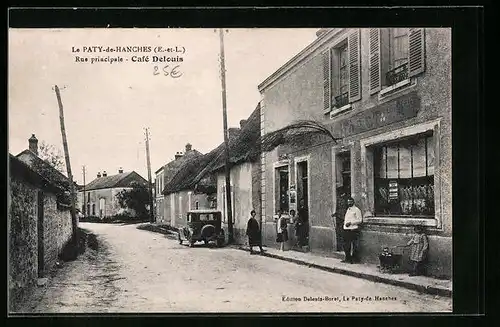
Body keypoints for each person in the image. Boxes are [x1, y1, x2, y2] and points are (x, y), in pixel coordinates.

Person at [342, 197, 362, 263]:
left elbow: (360, 220)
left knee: (354, 245)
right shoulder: (348, 209)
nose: (349, 203)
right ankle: (347, 258)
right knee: (346, 245)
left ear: (353, 202)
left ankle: (354, 259)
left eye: (350, 202)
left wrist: (351, 223)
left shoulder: (356, 210)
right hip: (346, 229)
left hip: (353, 229)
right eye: (348, 202)